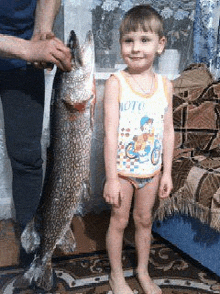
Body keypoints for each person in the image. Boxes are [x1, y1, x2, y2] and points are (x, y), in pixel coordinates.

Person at [103, 4, 174, 294]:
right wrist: (109, 178)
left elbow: (168, 132)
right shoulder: (116, 82)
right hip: (121, 170)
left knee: (144, 221)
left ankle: (143, 271)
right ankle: (116, 276)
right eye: (128, 40)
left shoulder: (165, 85)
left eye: (144, 40)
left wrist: (167, 172)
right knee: (119, 221)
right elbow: (109, 133)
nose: (135, 48)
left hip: (152, 170)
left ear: (160, 45)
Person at [0, 0, 72, 250]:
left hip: (23, 54)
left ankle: (30, 248)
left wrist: (41, 32)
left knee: (27, 157)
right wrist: (27, 49)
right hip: (22, 48)